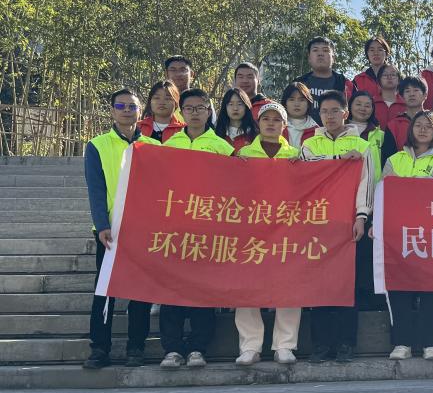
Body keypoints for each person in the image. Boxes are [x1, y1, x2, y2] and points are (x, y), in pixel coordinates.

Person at [82, 89, 161, 369]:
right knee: (104, 290)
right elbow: (95, 189)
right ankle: (99, 348)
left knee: (140, 292)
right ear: (112, 111)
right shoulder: (97, 145)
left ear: (140, 111)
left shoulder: (153, 146)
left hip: (143, 230)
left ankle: (136, 347)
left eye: (132, 106)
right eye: (121, 105)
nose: (127, 110)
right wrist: (102, 224)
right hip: (110, 231)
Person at [160, 89, 234, 368]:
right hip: (175, 228)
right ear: (181, 111)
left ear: (209, 111)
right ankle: (172, 349)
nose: (194, 113)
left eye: (200, 108)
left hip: (207, 228)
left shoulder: (222, 147)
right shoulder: (169, 145)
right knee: (171, 289)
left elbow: (233, 185)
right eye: (189, 108)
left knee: (203, 291)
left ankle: (198, 348)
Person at [300, 90, 375, 363]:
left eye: (334, 111)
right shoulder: (309, 144)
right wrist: (340, 161)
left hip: (348, 223)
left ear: (345, 113)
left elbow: (366, 184)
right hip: (317, 223)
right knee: (319, 285)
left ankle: (346, 344)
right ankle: (320, 345)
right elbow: (307, 173)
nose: (329, 116)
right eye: (324, 111)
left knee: (346, 286)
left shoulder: (362, 146)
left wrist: (361, 217)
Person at [380, 111, 433, 360]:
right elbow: (386, 191)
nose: (423, 130)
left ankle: (430, 343)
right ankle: (401, 343)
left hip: (432, 232)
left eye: (428, 126)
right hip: (398, 232)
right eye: (418, 125)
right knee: (399, 288)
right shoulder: (395, 159)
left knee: (431, 289)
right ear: (410, 129)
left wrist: (406, 185)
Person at [234, 102, 302, 365]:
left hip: (286, 229)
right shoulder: (243, 154)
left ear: (284, 125)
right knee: (246, 287)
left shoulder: (296, 154)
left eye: (277, 120)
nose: (271, 123)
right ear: (258, 124)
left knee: (289, 286)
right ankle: (250, 346)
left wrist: (302, 167)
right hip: (251, 230)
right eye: (266, 119)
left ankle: (285, 345)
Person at [297, 36, 350, 122]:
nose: (320, 54)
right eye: (315, 50)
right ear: (309, 58)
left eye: (325, 50)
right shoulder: (299, 83)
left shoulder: (344, 83)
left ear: (333, 58)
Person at [348, 90, 393, 179]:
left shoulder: (381, 136)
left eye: (367, 106)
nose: (363, 108)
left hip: (373, 184)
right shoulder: (340, 131)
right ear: (350, 106)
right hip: (346, 182)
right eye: (358, 104)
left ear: (372, 110)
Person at [387, 76, 429, 150]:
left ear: (425, 95)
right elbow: (388, 155)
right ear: (402, 97)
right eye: (407, 91)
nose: (411, 94)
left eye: (416, 90)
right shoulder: (393, 125)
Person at [214, 88, 257, 153]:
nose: (235, 108)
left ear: (246, 106)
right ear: (225, 107)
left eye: (239, 104)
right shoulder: (217, 133)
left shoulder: (254, 134)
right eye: (231, 104)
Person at [281, 82, 320, 148]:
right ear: (285, 103)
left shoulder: (317, 131)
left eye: (301, 100)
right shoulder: (277, 127)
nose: (296, 104)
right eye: (292, 99)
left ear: (308, 104)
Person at [372, 64, 406, 130]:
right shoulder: (371, 103)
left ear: (399, 80)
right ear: (379, 80)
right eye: (385, 75)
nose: (389, 77)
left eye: (393, 75)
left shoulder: (406, 104)